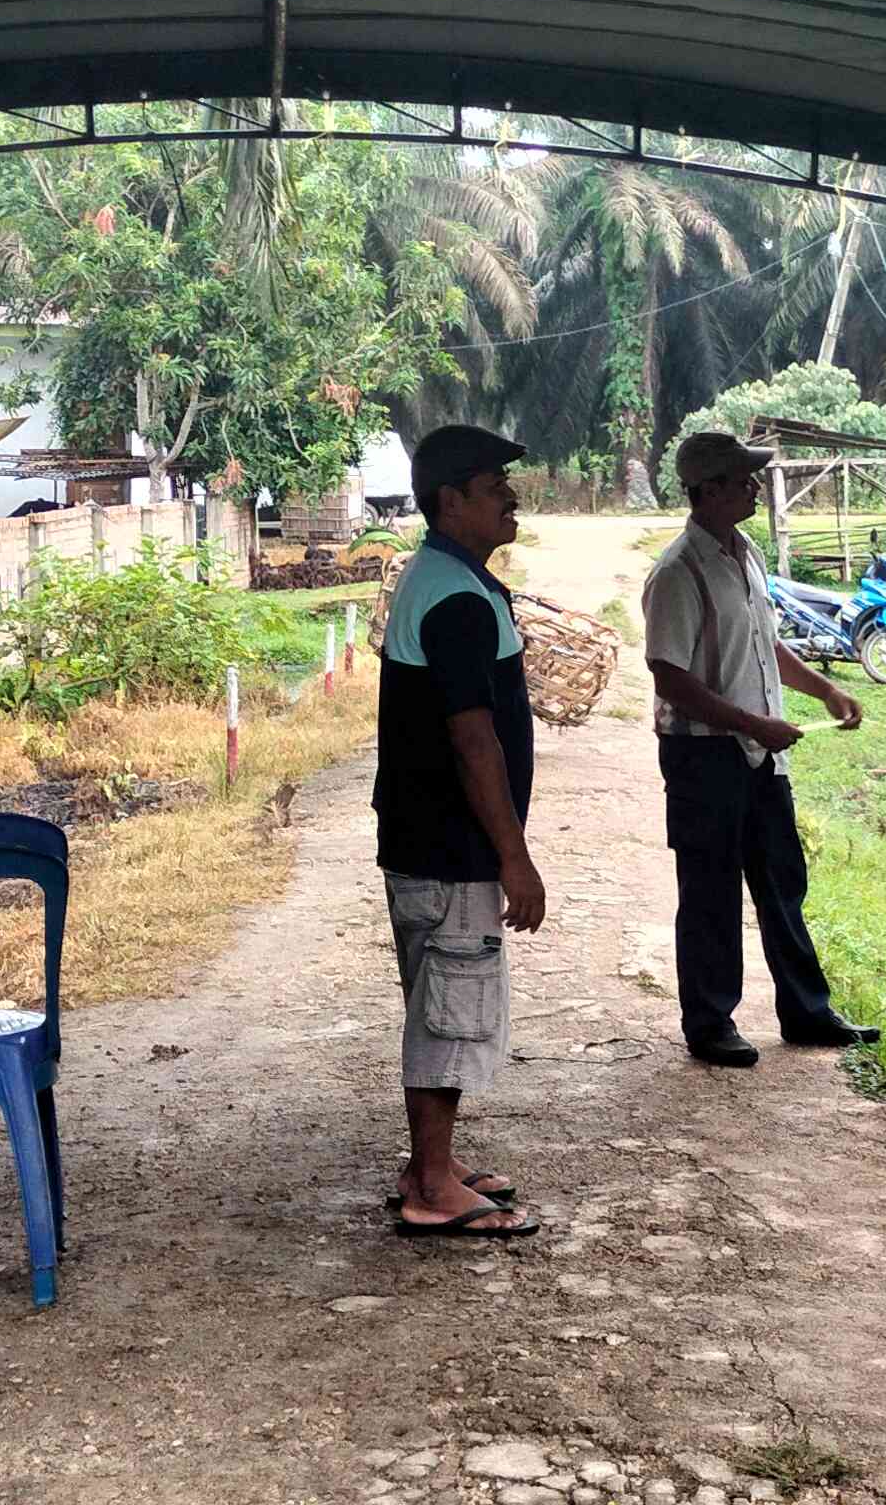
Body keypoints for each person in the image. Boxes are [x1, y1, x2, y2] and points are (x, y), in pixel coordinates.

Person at [644, 429, 876, 1067]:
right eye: (743, 479)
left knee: (782, 881)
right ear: (709, 490)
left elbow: (763, 644)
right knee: (711, 888)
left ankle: (807, 1011)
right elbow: (669, 676)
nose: (753, 487)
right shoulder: (677, 572)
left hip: (759, 753)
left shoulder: (743, 555)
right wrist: (751, 722)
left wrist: (823, 689)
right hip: (704, 758)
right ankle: (710, 1022)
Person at [374, 425, 546, 1240]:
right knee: (452, 1009)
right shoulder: (451, 596)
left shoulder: (451, 580)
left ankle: (428, 1164)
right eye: (492, 486)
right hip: (449, 847)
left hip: (430, 841)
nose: (511, 498)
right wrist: (515, 858)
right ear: (451, 502)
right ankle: (433, 1187)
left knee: (442, 998)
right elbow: (472, 735)